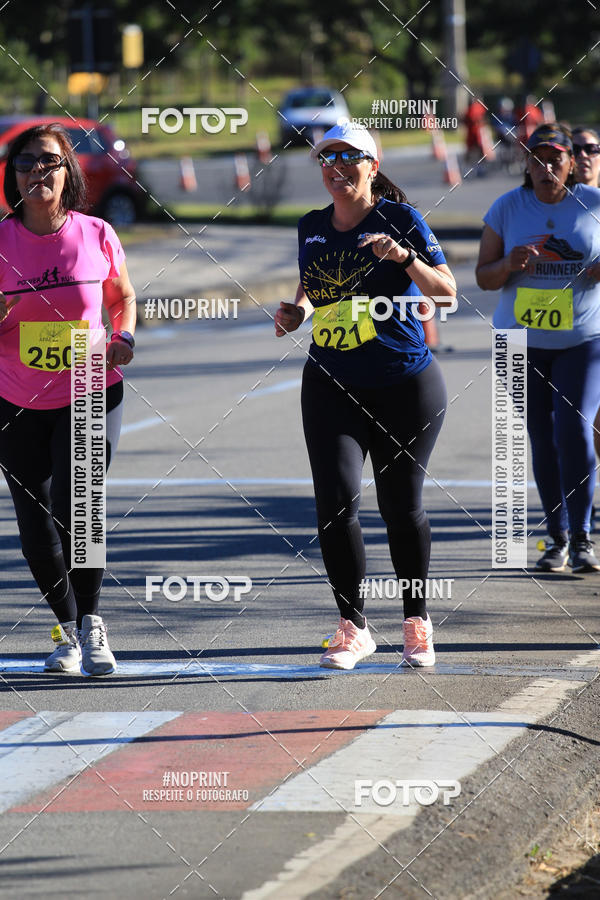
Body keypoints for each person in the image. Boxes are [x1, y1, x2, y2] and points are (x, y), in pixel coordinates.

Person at [274, 121, 456, 669]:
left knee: (401, 507)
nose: (336, 168)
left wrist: (405, 259)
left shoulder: (400, 219)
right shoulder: (310, 227)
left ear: (372, 166)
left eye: (348, 157)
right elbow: (315, 290)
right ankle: (353, 627)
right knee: (335, 505)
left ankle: (417, 621)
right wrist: (296, 311)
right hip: (330, 382)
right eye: (326, 159)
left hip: (404, 384)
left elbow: (447, 292)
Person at [0, 123, 136, 673]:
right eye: (26, 162)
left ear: (68, 171)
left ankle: (92, 622)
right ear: (13, 175)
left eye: (49, 161)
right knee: (35, 525)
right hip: (14, 398)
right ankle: (66, 629)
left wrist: (125, 336)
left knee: (77, 506)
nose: (37, 170)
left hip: (88, 386)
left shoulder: (96, 233)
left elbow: (121, 297)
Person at [476, 123, 600, 573]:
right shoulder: (507, 207)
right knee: (542, 437)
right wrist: (508, 264)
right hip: (518, 342)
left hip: (581, 340)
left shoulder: (593, 203)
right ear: (526, 165)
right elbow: (483, 277)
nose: (546, 168)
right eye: (537, 160)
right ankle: (557, 537)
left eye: (555, 160)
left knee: (574, 431)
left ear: (571, 164)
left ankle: (583, 536)